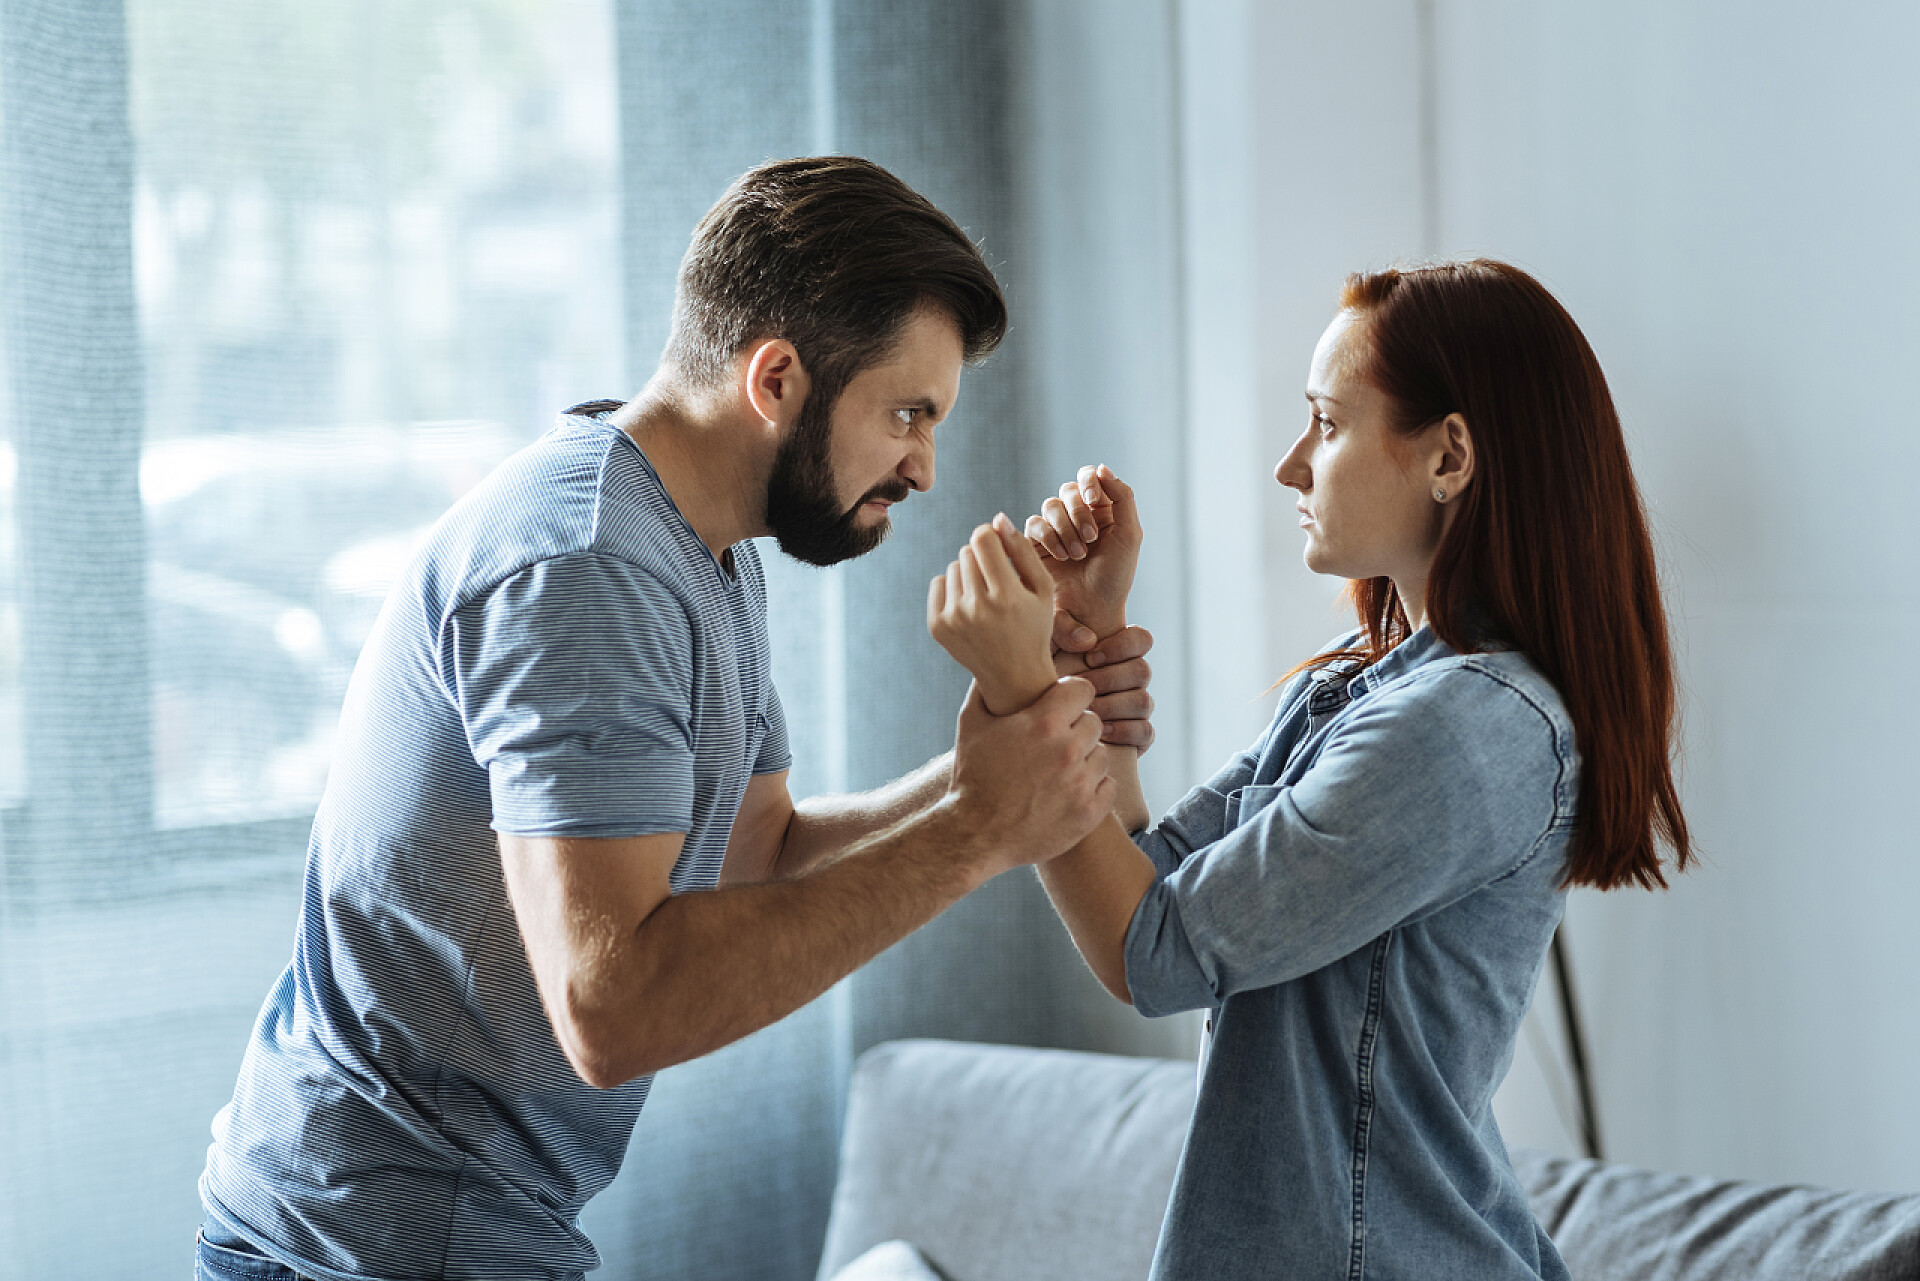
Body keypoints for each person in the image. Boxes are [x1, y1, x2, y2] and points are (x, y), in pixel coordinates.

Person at [194, 156, 1158, 1281]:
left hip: (447, 1230)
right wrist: (980, 827)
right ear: (777, 378)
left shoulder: (702, 551)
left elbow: (757, 856)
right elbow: (612, 1010)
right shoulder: (592, 565)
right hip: (370, 1246)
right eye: (908, 413)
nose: (926, 467)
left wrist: (998, 759)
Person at [928, 259, 1693, 1281]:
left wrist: (1028, 691)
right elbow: (1148, 883)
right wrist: (1087, 638)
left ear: (1449, 457)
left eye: (1326, 425)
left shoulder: (1467, 730)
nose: (1292, 466)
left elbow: (1148, 953)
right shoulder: (1359, 685)